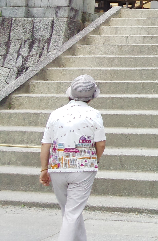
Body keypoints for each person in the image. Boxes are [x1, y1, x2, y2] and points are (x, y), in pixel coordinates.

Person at [39, 75, 106, 241]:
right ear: (91, 97)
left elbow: (46, 143)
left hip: (57, 167)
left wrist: (44, 168)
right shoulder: (94, 114)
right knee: (73, 213)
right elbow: (101, 144)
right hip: (83, 168)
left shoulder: (56, 113)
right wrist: (95, 159)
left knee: (69, 211)